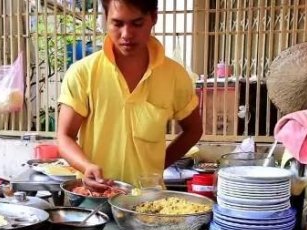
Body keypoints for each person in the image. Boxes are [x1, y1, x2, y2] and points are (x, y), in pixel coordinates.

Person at [57, 0, 203, 189]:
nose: (127, 34)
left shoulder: (175, 75)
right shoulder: (83, 73)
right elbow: (65, 136)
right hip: (94, 202)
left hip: (149, 204)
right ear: (106, 20)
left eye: (137, 23)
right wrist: (86, 167)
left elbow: (194, 130)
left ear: (153, 18)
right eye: (117, 24)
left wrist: (158, 166)